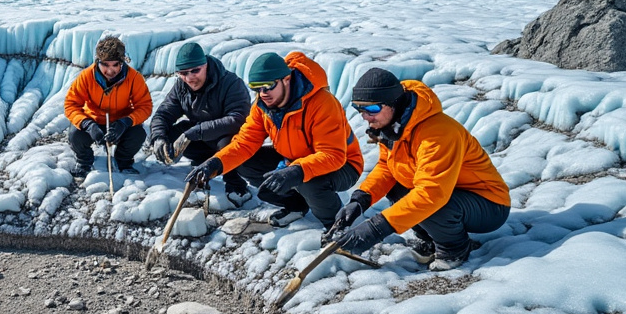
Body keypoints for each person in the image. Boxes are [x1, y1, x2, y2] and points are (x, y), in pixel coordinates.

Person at [328, 68, 511, 270]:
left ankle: (454, 248)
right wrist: (360, 200)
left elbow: (432, 193)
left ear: (393, 103)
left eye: (371, 110)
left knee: (433, 202)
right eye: (359, 109)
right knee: (398, 185)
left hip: (489, 204)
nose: (365, 117)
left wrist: (376, 228)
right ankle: (430, 236)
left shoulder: (438, 133)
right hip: (451, 193)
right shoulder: (392, 126)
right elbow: (387, 168)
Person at [187, 51, 363, 228]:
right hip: (293, 161)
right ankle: (296, 205)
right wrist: (215, 163)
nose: (262, 93)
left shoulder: (322, 103)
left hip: (344, 165)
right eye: (256, 88)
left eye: (268, 86)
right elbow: (244, 143)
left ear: (286, 79)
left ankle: (337, 225)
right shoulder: (262, 106)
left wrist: (296, 171)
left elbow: (333, 155)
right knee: (245, 162)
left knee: (309, 181)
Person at [148, 42, 257, 205]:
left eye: (195, 71)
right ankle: (201, 163)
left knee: (228, 141)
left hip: (228, 142)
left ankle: (236, 185)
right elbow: (163, 113)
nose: (190, 77)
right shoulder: (181, 87)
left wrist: (198, 131)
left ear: (205, 65)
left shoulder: (231, 83)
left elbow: (238, 119)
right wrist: (158, 137)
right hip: (201, 139)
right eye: (183, 73)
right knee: (171, 133)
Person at [64, 36, 154, 180]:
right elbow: (71, 104)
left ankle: (124, 161)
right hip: (93, 121)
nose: (110, 70)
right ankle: (84, 162)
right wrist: (87, 124)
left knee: (138, 134)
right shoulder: (86, 76)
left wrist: (126, 122)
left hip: (121, 122)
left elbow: (144, 106)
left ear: (122, 63)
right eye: (105, 64)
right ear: (98, 61)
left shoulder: (134, 78)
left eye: (115, 65)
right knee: (75, 134)